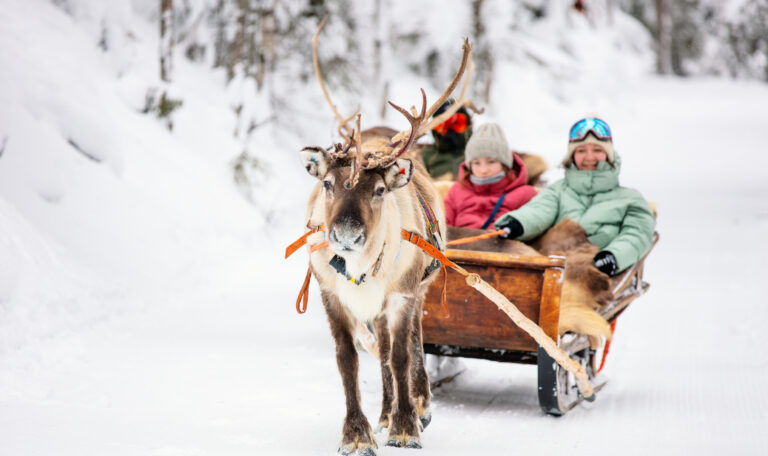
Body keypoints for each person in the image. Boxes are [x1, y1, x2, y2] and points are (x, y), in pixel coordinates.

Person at [494, 117, 655, 276]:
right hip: (552, 268)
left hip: (594, 274)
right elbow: (538, 211)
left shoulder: (630, 199)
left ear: (609, 155)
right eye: (581, 150)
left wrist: (613, 256)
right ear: (572, 155)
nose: (589, 157)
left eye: (597, 150)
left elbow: (637, 234)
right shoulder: (558, 191)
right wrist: (518, 223)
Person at [444, 123, 537, 229]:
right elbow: (443, 226)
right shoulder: (456, 191)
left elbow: (534, 222)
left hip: (504, 244)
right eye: (476, 163)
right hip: (458, 244)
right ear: (469, 165)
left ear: (504, 164)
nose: (483, 170)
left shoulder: (525, 194)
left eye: (491, 162)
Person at [421, 99, 472, 180]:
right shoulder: (424, 157)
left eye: (457, 123)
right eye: (443, 126)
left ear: (468, 125)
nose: (451, 131)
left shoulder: (479, 155)